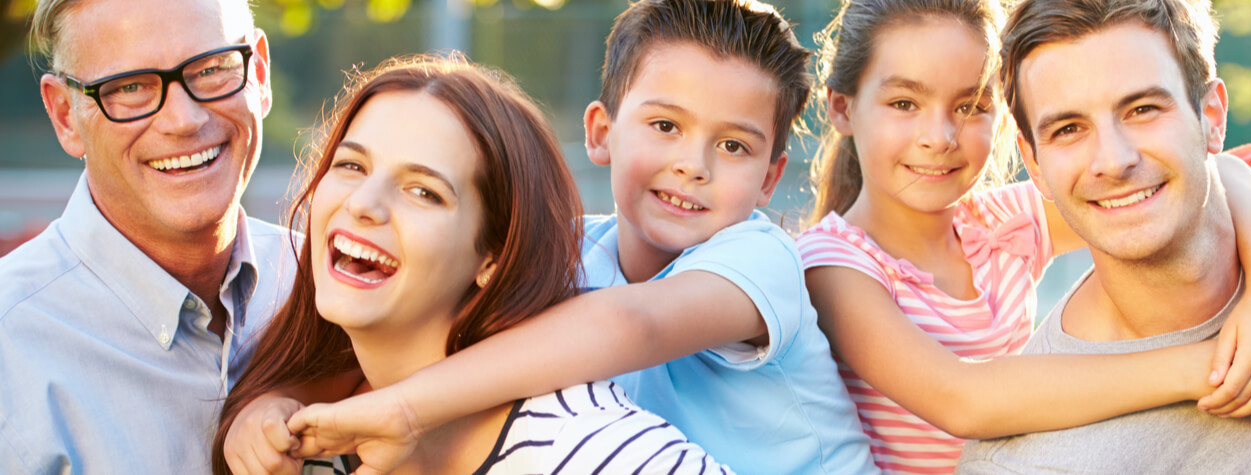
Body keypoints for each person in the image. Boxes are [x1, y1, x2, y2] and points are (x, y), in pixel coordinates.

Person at [222, 0, 876, 473]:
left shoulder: (762, 259)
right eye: (666, 126)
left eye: (734, 145)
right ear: (600, 132)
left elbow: (633, 327)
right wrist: (277, 405)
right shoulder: (568, 252)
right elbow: (413, 333)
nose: (693, 163)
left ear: (770, 179)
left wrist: (405, 411)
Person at [211, 53, 728, 475]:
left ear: (494, 257)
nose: (364, 202)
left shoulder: (588, 448)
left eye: (424, 191)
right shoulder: (305, 439)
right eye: (351, 165)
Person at [955, 0, 1251, 471]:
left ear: (1212, 116)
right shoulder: (1023, 462)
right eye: (1069, 129)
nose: (1113, 160)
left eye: (1142, 109)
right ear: (1034, 166)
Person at [0, 0, 293, 472]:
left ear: (258, 73)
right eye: (130, 87)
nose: (184, 120)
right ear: (64, 115)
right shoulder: (9, 351)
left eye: (211, 68)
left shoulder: (329, 287)